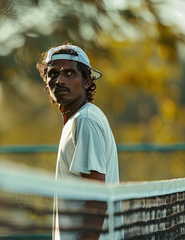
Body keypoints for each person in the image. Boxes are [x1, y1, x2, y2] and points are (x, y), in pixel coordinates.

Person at [36, 44, 120, 240]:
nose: (59, 80)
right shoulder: (77, 120)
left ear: (87, 81)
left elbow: (97, 200)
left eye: (70, 73)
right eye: (53, 73)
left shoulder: (86, 121)